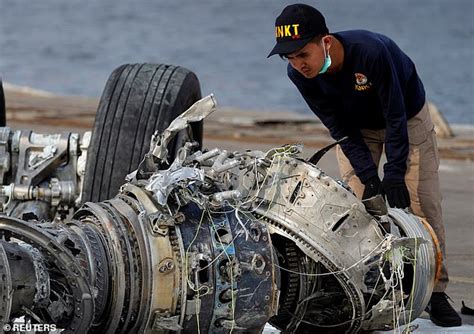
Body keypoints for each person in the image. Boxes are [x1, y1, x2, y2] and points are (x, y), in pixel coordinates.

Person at [267, 3, 462, 328]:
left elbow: (396, 115)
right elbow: (338, 127)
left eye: (303, 54)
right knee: (358, 209)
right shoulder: (300, 76)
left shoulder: (371, 53)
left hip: (406, 117)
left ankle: (435, 292)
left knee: (422, 204)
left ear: (325, 42)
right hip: (357, 128)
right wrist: (371, 178)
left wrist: (394, 172)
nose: (298, 64)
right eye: (290, 57)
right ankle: (375, 286)